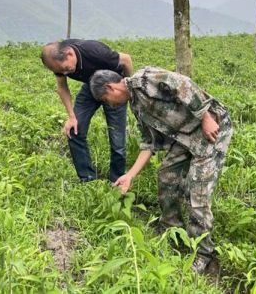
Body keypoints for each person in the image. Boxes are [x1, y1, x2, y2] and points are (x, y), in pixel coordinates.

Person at [89, 67, 232, 273]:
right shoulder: (136, 106)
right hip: (187, 137)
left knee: (198, 192)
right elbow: (149, 143)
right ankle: (172, 230)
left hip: (212, 129)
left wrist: (205, 117)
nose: (109, 105)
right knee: (167, 176)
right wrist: (129, 175)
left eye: (105, 99)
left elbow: (184, 83)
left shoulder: (144, 79)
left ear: (110, 87)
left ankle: (203, 254)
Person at [41, 40, 133, 183]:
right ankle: (88, 180)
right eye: (60, 71)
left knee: (117, 141)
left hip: (114, 89)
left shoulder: (94, 51)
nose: (65, 73)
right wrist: (71, 117)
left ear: (70, 54)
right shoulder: (57, 64)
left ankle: (117, 181)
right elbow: (61, 87)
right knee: (74, 130)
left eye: (65, 68)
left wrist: (128, 90)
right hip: (90, 87)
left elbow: (126, 59)